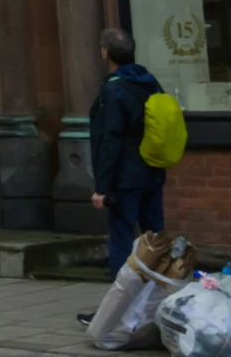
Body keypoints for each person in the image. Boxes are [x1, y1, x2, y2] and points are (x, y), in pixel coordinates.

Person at [89, 27, 166, 276]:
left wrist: (102, 187)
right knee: (155, 239)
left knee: (122, 241)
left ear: (105, 53)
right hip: (153, 171)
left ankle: (120, 309)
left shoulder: (114, 89)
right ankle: (160, 298)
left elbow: (111, 140)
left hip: (125, 179)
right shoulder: (150, 82)